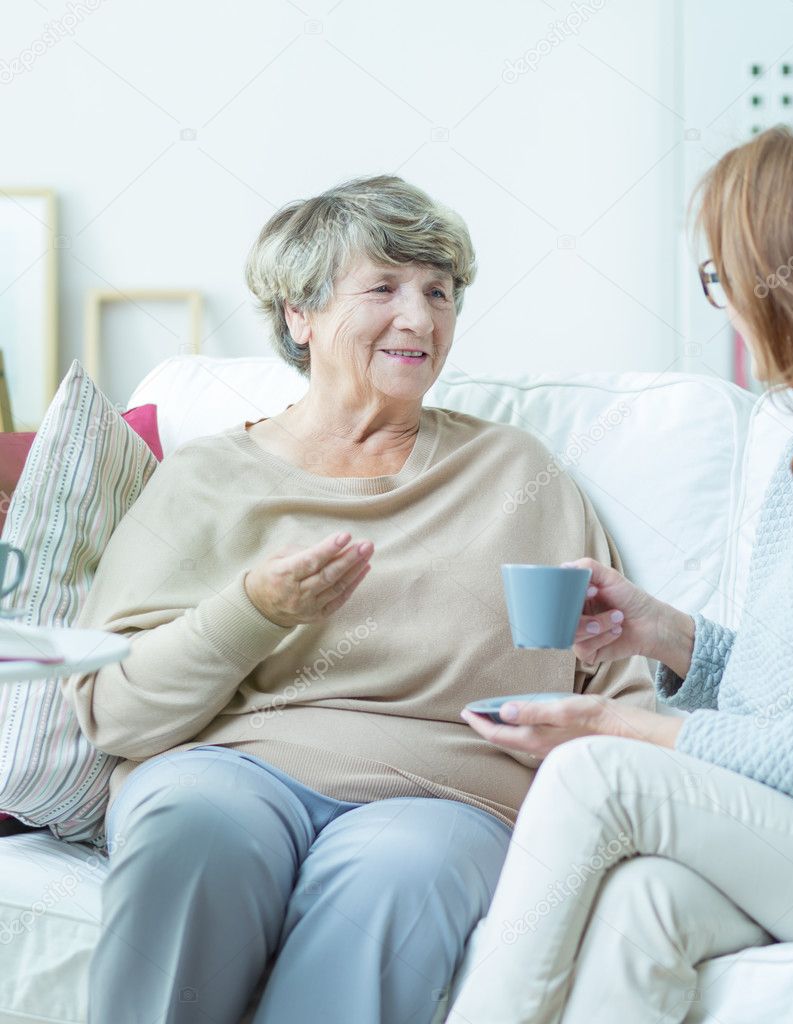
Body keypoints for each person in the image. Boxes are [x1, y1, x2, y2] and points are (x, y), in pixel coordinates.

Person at [445, 124, 793, 1024]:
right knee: (646, 905)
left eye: (727, 277)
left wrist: (610, 722)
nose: (725, 308)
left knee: (594, 774)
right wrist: (665, 633)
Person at [62, 175, 654, 1024]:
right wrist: (252, 611)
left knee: (396, 879)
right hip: (233, 770)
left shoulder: (517, 475)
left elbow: (613, 678)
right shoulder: (209, 481)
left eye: (439, 292)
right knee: (189, 832)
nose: (420, 317)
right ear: (298, 316)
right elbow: (116, 714)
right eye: (382, 288)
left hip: (445, 797)